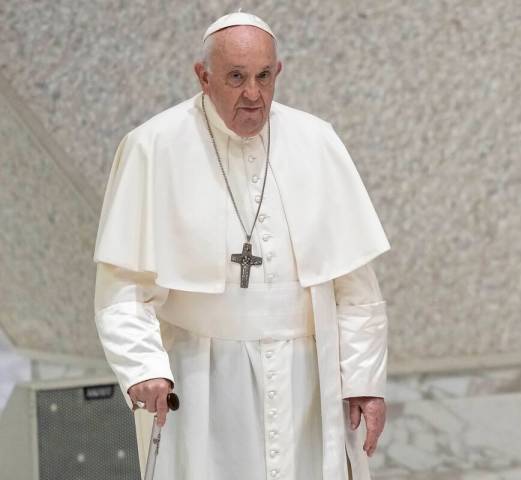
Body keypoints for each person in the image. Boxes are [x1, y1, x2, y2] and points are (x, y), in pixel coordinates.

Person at [93, 9, 390, 480]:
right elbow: (121, 288)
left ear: (278, 73)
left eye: (263, 77)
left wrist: (364, 380)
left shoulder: (317, 141)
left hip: (307, 383)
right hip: (201, 376)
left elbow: (356, 285)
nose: (253, 94)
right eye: (236, 77)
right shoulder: (153, 146)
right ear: (203, 76)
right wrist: (144, 367)